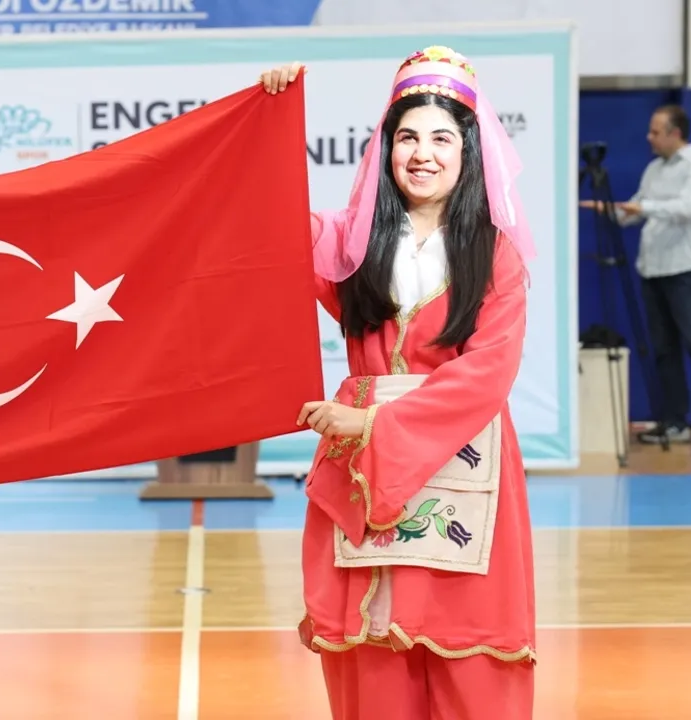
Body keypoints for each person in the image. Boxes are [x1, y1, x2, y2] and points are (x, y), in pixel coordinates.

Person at [260, 47, 536, 718]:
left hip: (464, 464)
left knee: (467, 656)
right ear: (386, 148)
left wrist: (375, 422)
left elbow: (489, 370)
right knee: (374, 660)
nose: (422, 153)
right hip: (364, 471)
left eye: (441, 138)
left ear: (468, 150)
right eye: (407, 137)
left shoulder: (494, 250)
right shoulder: (350, 243)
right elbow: (261, 218)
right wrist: (269, 118)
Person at [581, 105, 691, 446]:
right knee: (664, 350)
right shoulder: (654, 169)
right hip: (652, 269)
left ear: (675, 133)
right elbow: (634, 211)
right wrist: (610, 209)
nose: (649, 137)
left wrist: (643, 208)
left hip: (684, 269)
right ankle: (675, 421)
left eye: (656, 132)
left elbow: (688, 208)